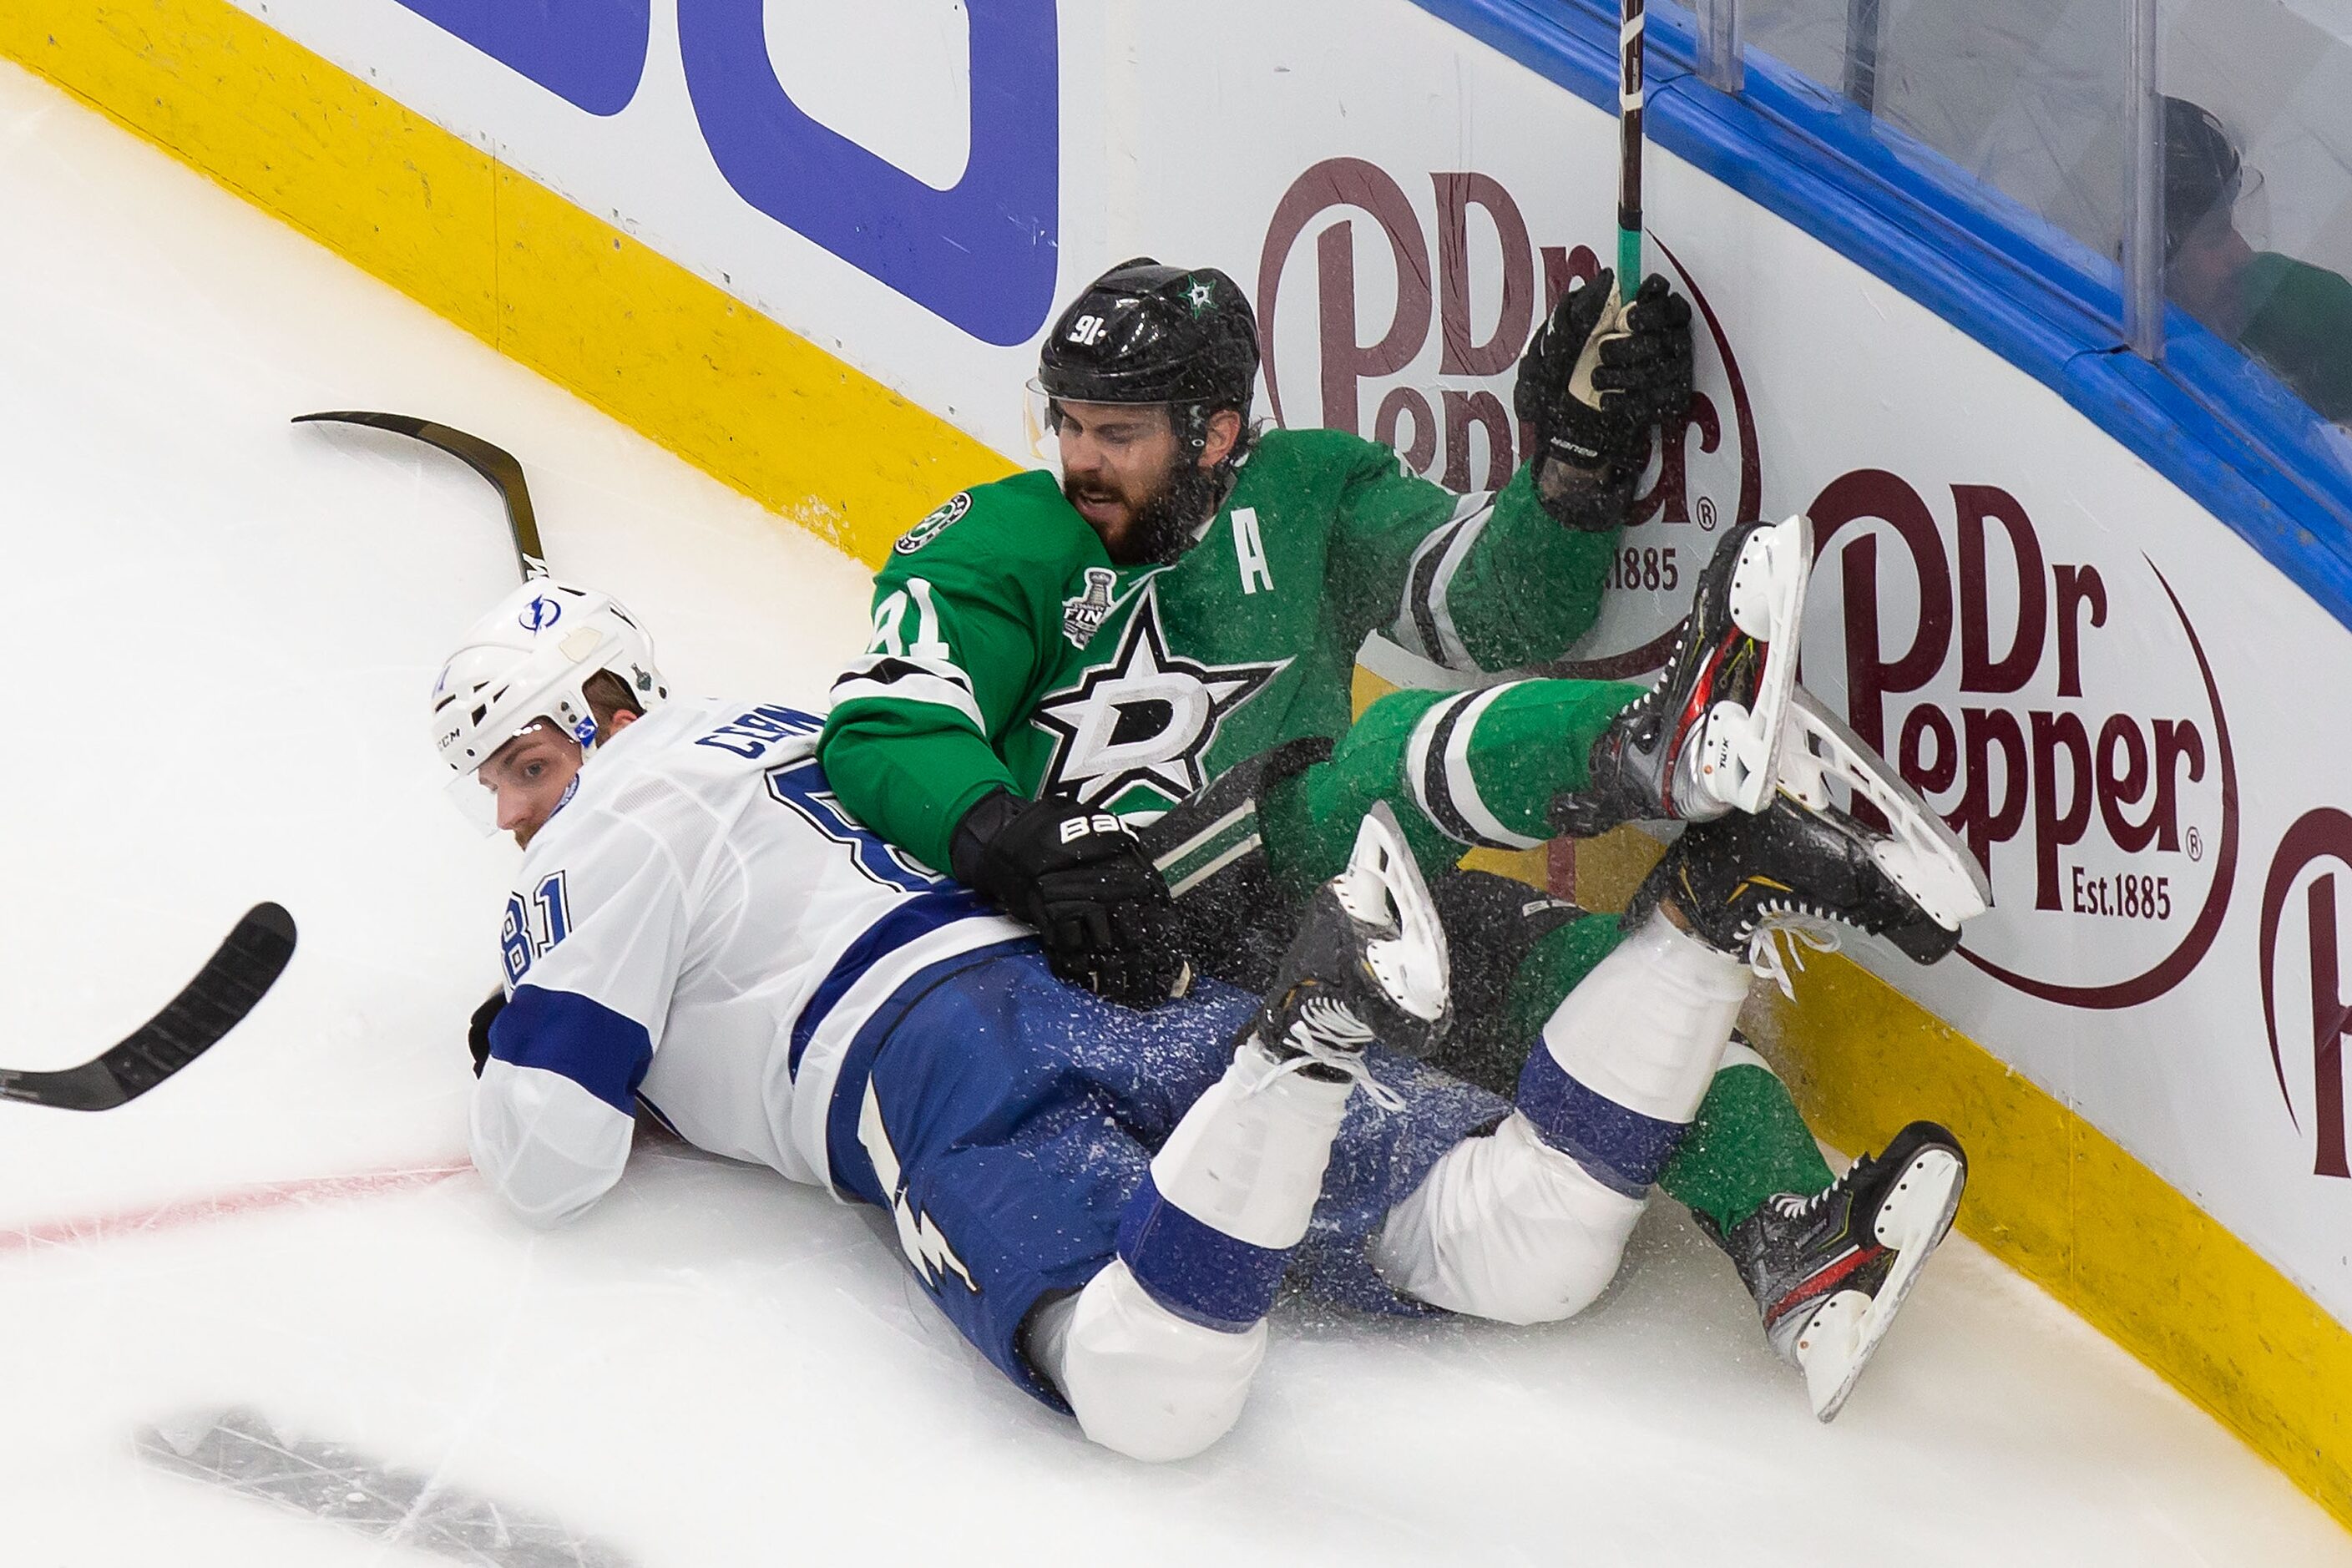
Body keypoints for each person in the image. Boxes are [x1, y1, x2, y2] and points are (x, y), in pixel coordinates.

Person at [439, 575, 1985, 1455]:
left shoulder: (599, 831)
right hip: (1098, 985)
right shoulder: (795, 715)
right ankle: (1711, 904)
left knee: (1142, 1390)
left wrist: (532, 1028)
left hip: (936, 1064)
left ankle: (1304, 1036)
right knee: (1508, 1242)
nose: (515, 814)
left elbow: (549, 1157)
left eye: (517, 763)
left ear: (593, 716)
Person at [817, 258, 1984, 1416]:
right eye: (1065, 421)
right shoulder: (995, 537)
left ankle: (1802, 1253)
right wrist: (1007, 835)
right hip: (1136, 941)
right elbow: (880, 726)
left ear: (1216, 429)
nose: (1078, 458)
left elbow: (1488, 608)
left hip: (1333, 906)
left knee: (1589, 970)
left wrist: (1572, 476)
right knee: (1377, 770)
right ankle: (1665, 748)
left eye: (1115, 431)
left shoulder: (1311, 487)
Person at [2164, 96, 2352, 424]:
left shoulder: (2289, 299)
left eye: (2232, 226)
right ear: (2154, 263)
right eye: (2213, 237)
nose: (2242, 254)